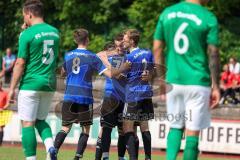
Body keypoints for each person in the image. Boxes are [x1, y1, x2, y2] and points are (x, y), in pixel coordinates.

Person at [153, 0, 220, 159]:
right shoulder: (208, 17)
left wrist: (161, 79)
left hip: (173, 80)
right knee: (193, 133)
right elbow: (213, 53)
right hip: (198, 81)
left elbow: (157, 47)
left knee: (175, 127)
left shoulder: (167, 13)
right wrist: (215, 85)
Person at [53, 28, 131, 160]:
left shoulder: (68, 55)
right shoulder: (92, 57)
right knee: (85, 129)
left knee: (65, 127)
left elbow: (62, 73)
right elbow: (111, 74)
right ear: (88, 40)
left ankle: (53, 150)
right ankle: (77, 157)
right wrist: (123, 67)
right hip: (85, 97)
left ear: (75, 40)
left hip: (69, 95)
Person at [8, 0, 60, 159]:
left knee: (27, 123)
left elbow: (20, 62)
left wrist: (11, 89)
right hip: (49, 84)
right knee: (40, 120)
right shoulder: (55, 32)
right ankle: (50, 147)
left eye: (24, 16)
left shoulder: (26, 34)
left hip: (31, 83)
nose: (24, 19)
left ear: (29, 14)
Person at [95, 33, 129, 160]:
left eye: (120, 45)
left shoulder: (124, 57)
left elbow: (116, 75)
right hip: (111, 96)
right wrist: (106, 56)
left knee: (121, 131)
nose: (119, 48)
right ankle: (105, 156)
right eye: (116, 46)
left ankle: (119, 157)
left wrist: (104, 59)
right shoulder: (117, 56)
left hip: (122, 98)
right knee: (107, 128)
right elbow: (97, 54)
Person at [123, 29, 154, 160]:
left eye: (125, 39)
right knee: (144, 127)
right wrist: (149, 75)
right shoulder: (148, 53)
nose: (123, 42)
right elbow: (154, 71)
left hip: (133, 94)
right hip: (146, 93)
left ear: (132, 41)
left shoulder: (128, 57)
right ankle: (148, 157)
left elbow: (120, 77)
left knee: (127, 127)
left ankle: (133, 158)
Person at [0, 80, 10, 146]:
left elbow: (8, 103)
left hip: (1, 113)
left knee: (0, 128)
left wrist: (3, 108)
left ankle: (0, 142)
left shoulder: (5, 93)